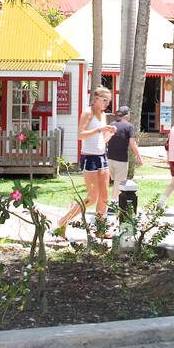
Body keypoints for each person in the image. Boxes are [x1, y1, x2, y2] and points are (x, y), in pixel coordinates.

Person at [57, 85, 116, 236]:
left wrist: (109, 133)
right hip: (89, 158)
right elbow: (80, 134)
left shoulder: (103, 115)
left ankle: (100, 229)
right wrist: (98, 130)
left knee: (104, 196)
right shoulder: (87, 113)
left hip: (102, 156)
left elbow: (102, 138)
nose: (107, 103)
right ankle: (63, 221)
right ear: (96, 99)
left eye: (109, 100)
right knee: (91, 197)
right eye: (104, 100)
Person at [105, 105, 144, 203]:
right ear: (127, 115)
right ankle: (113, 203)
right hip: (121, 159)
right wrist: (139, 157)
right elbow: (132, 143)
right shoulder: (129, 126)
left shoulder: (112, 124)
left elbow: (105, 138)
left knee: (112, 181)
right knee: (118, 182)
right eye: (129, 113)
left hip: (109, 157)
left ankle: (107, 201)